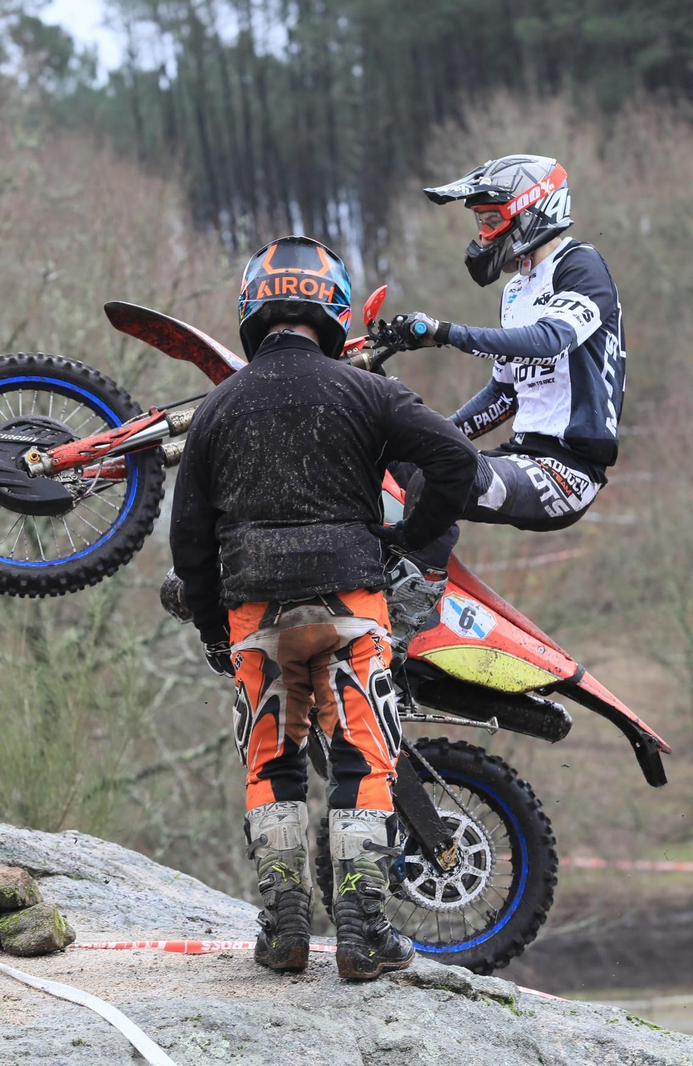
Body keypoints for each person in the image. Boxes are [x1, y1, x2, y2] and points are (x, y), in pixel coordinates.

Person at [169, 236, 479, 981]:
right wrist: (412, 535)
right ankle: (363, 933)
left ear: (253, 308)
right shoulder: (366, 391)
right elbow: (457, 462)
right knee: (362, 756)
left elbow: (188, 542)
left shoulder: (218, 407)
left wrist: (216, 630)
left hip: (255, 607)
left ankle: (282, 935)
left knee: (272, 758)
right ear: (334, 309)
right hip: (350, 597)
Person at [388, 154, 627, 537]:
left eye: (493, 220)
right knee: (403, 464)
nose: (484, 234)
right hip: (521, 455)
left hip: (568, 472)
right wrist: (435, 439)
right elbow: (504, 394)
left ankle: (420, 581)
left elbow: (550, 341)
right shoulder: (516, 291)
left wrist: (446, 333)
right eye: (480, 222)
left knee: (443, 478)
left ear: (531, 211)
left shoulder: (580, 265)